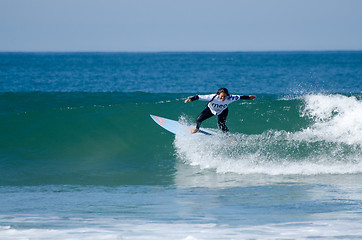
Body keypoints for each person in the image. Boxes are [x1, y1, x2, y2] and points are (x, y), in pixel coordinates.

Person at [184, 88, 256, 134]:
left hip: (223, 111)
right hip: (211, 109)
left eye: (224, 96)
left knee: (221, 125)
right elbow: (199, 97)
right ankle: (197, 128)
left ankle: (228, 136)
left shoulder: (230, 98)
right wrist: (191, 99)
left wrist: (249, 98)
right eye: (221, 96)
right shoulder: (212, 97)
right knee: (199, 119)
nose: (223, 98)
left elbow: (240, 97)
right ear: (218, 95)